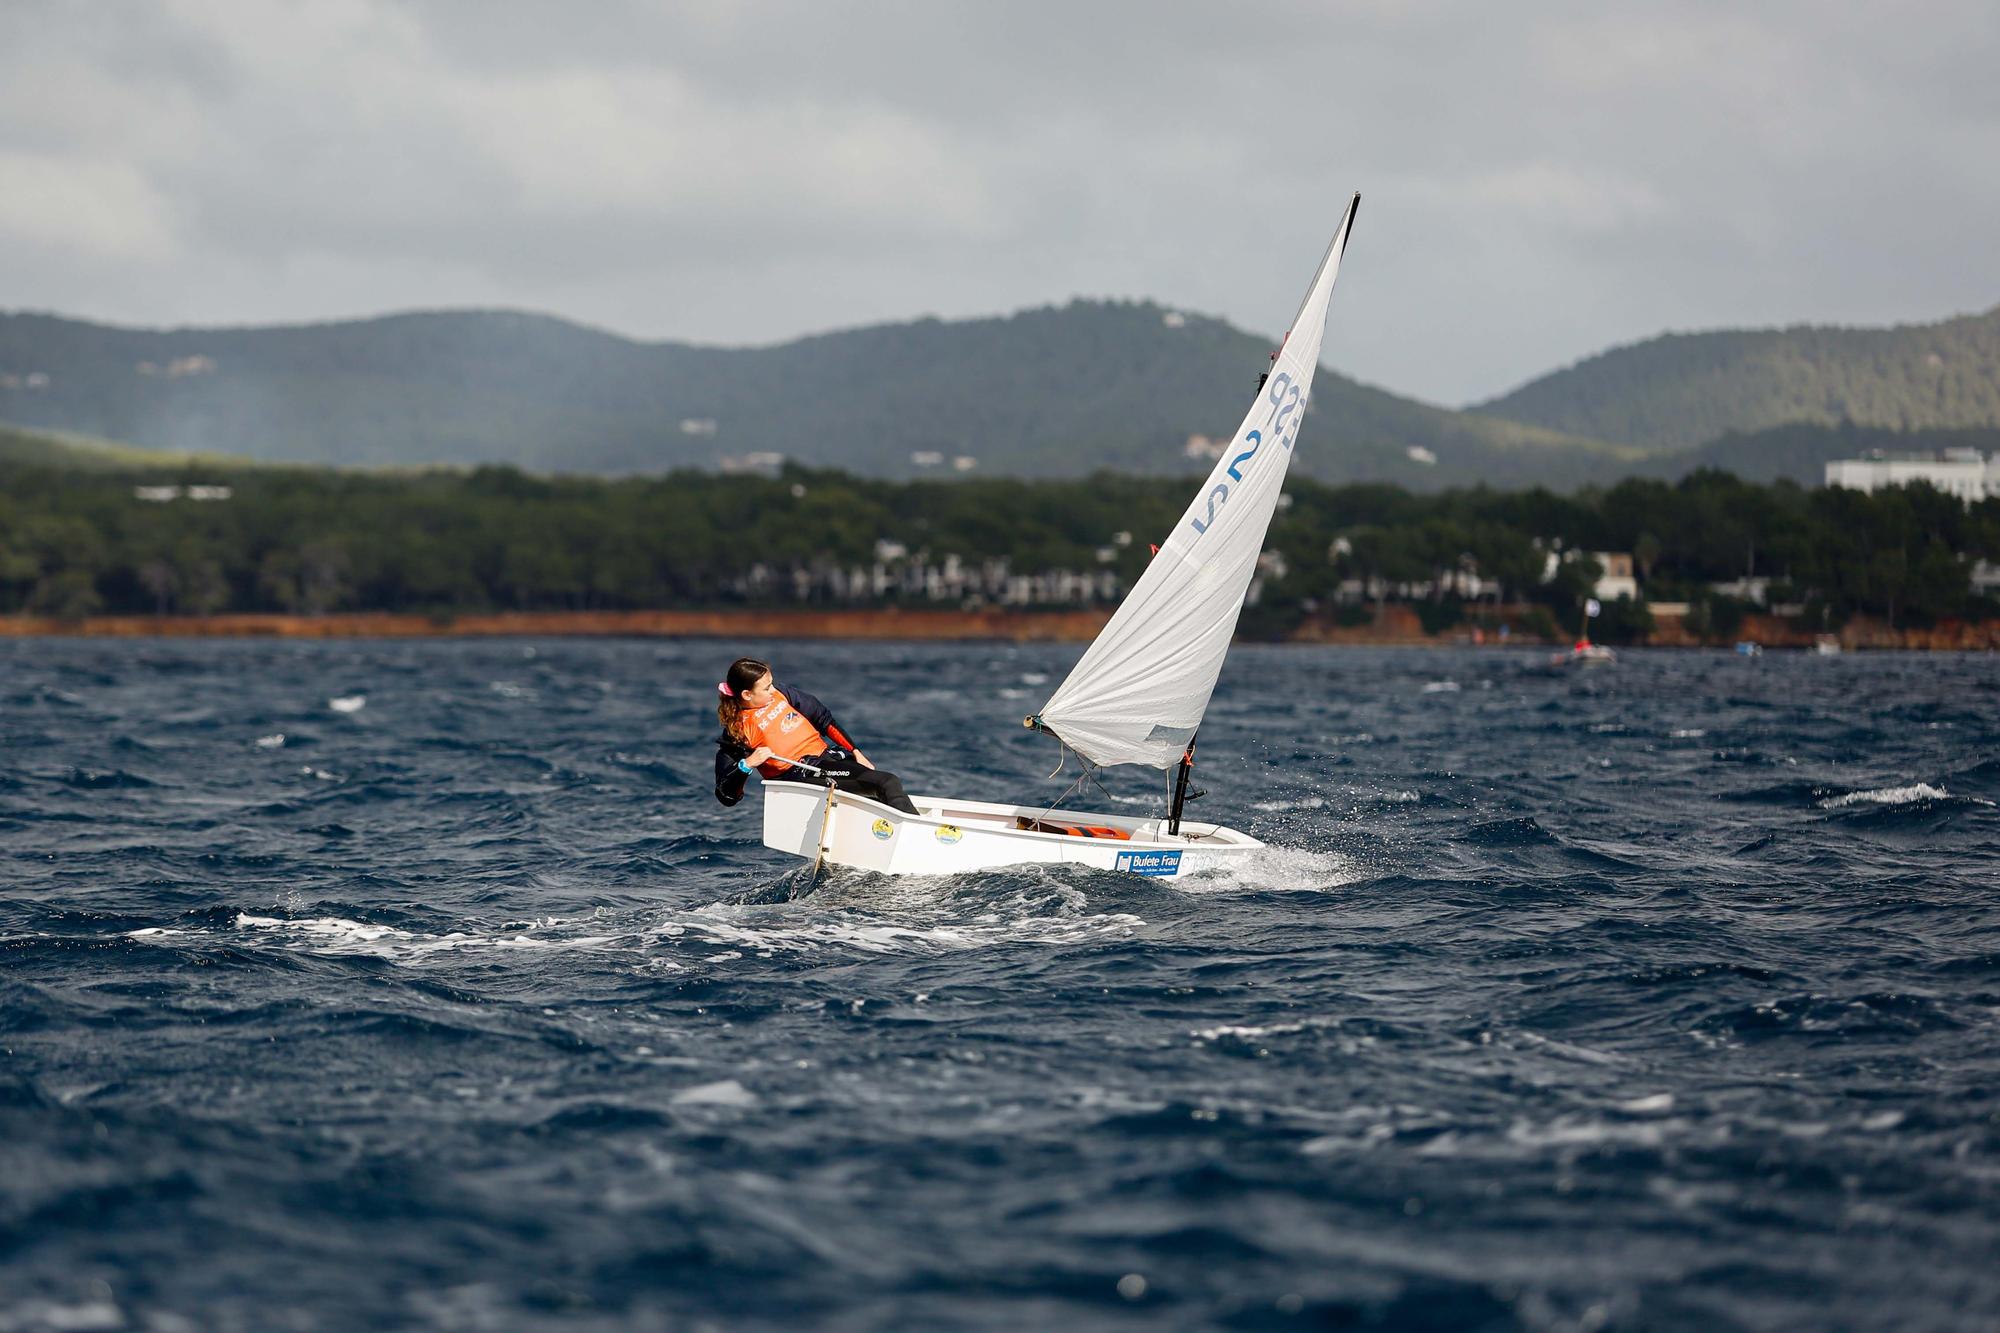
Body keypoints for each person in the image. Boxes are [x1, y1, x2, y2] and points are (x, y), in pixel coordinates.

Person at [711, 656, 920, 815]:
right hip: (805, 775)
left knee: (880, 791)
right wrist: (747, 764)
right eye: (766, 688)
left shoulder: (782, 694)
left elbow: (824, 719)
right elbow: (726, 795)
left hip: (828, 761)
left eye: (772, 683)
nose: (773, 690)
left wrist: (855, 752)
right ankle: (918, 838)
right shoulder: (737, 733)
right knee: (886, 783)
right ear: (747, 694)